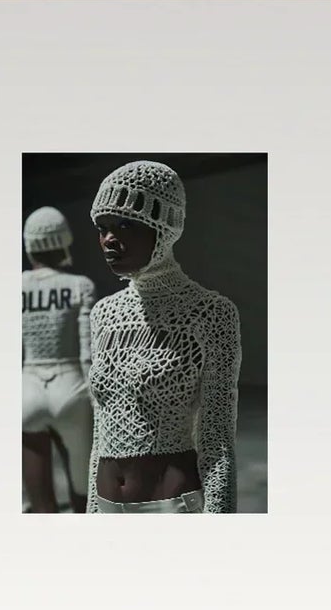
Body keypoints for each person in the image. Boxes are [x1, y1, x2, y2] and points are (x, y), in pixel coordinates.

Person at [85, 160, 240, 514]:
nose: (110, 239)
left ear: (164, 227)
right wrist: (91, 511)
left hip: (170, 506)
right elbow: (100, 432)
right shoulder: (103, 314)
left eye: (125, 224)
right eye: (103, 227)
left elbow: (217, 440)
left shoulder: (210, 313)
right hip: (107, 503)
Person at [19, 205, 95, 513]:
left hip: (28, 388)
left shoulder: (16, 286)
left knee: (41, 506)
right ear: (63, 240)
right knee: (84, 491)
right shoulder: (80, 285)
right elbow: (88, 351)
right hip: (72, 387)